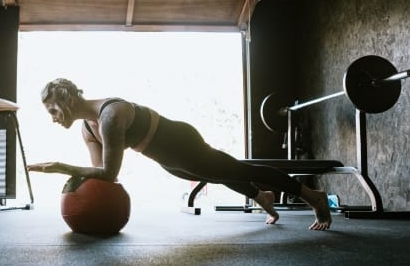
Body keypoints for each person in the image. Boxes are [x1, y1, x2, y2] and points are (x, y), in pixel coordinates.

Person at [27, 78, 332, 231]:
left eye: (53, 109)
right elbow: (105, 175)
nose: (53, 117)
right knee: (219, 173)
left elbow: (107, 172)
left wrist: (62, 167)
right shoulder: (87, 130)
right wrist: (77, 175)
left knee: (236, 169)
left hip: (180, 142)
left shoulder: (110, 116)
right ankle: (260, 196)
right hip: (165, 159)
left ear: (67, 98)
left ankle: (311, 195)